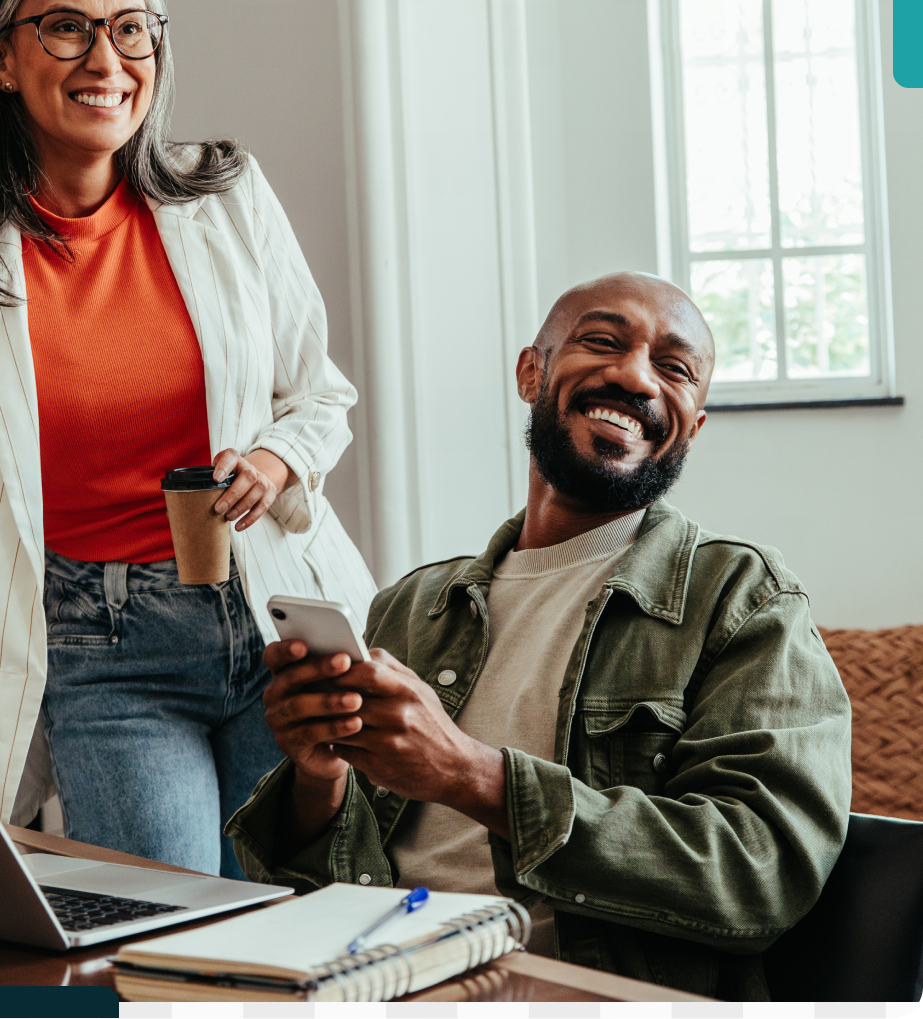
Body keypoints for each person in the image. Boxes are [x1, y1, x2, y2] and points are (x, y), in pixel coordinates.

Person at [0, 0, 376, 880]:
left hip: (275, 620)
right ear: (1, 58)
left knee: (311, 908)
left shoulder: (226, 197)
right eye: (67, 27)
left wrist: (275, 456)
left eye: (131, 28)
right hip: (105, 650)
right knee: (168, 933)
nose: (107, 59)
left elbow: (320, 396)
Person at [227, 272, 852, 1000]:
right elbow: (320, 884)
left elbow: (761, 872)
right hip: (374, 981)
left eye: (674, 368)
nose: (635, 377)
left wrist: (472, 774)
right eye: (603, 341)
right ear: (532, 372)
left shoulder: (744, 598)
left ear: (693, 424)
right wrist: (319, 777)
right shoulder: (412, 604)